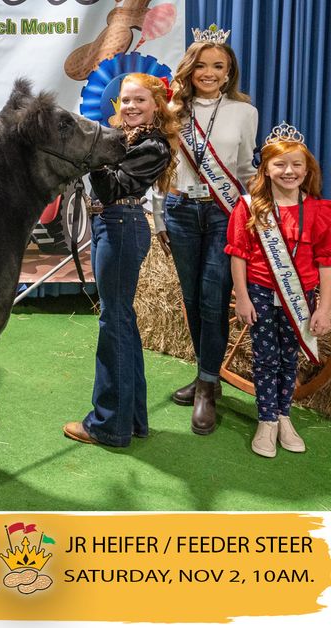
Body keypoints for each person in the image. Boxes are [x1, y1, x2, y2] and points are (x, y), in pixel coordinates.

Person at [64, 73, 179, 447]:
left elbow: (112, 187)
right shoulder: (127, 139)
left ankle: (108, 425)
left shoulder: (154, 146)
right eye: (125, 100)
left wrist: (94, 158)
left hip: (122, 225)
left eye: (139, 100)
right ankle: (132, 420)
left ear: (156, 105)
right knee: (122, 321)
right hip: (108, 224)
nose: (130, 106)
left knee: (113, 321)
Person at [156, 26, 258, 435]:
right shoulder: (172, 112)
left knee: (214, 298)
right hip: (180, 209)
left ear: (229, 69)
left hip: (224, 214)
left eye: (218, 65)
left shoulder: (244, 112)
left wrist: (257, 215)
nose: (209, 72)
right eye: (202, 65)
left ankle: (206, 387)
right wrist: (159, 216)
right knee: (192, 298)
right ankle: (206, 377)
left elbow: (248, 169)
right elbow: (160, 170)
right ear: (190, 69)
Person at [224, 123, 328, 457]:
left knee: (289, 359)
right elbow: (238, 254)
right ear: (266, 169)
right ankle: (266, 420)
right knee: (265, 358)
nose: (289, 171)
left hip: (302, 298)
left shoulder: (319, 211)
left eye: (297, 164)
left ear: (307, 169)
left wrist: (325, 307)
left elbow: (325, 261)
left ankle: (285, 416)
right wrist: (241, 295)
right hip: (260, 295)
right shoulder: (250, 207)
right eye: (280, 164)